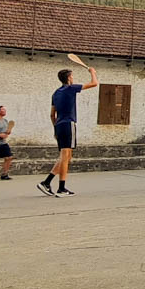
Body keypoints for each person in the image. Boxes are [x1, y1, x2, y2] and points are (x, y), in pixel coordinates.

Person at [39, 61, 99, 197]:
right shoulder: (70, 88)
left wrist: (55, 129)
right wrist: (92, 72)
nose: (73, 78)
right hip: (68, 124)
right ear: (69, 78)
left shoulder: (55, 93)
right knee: (66, 157)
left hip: (59, 125)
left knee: (66, 156)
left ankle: (46, 182)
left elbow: (51, 114)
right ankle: (61, 188)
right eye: (72, 76)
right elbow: (94, 83)